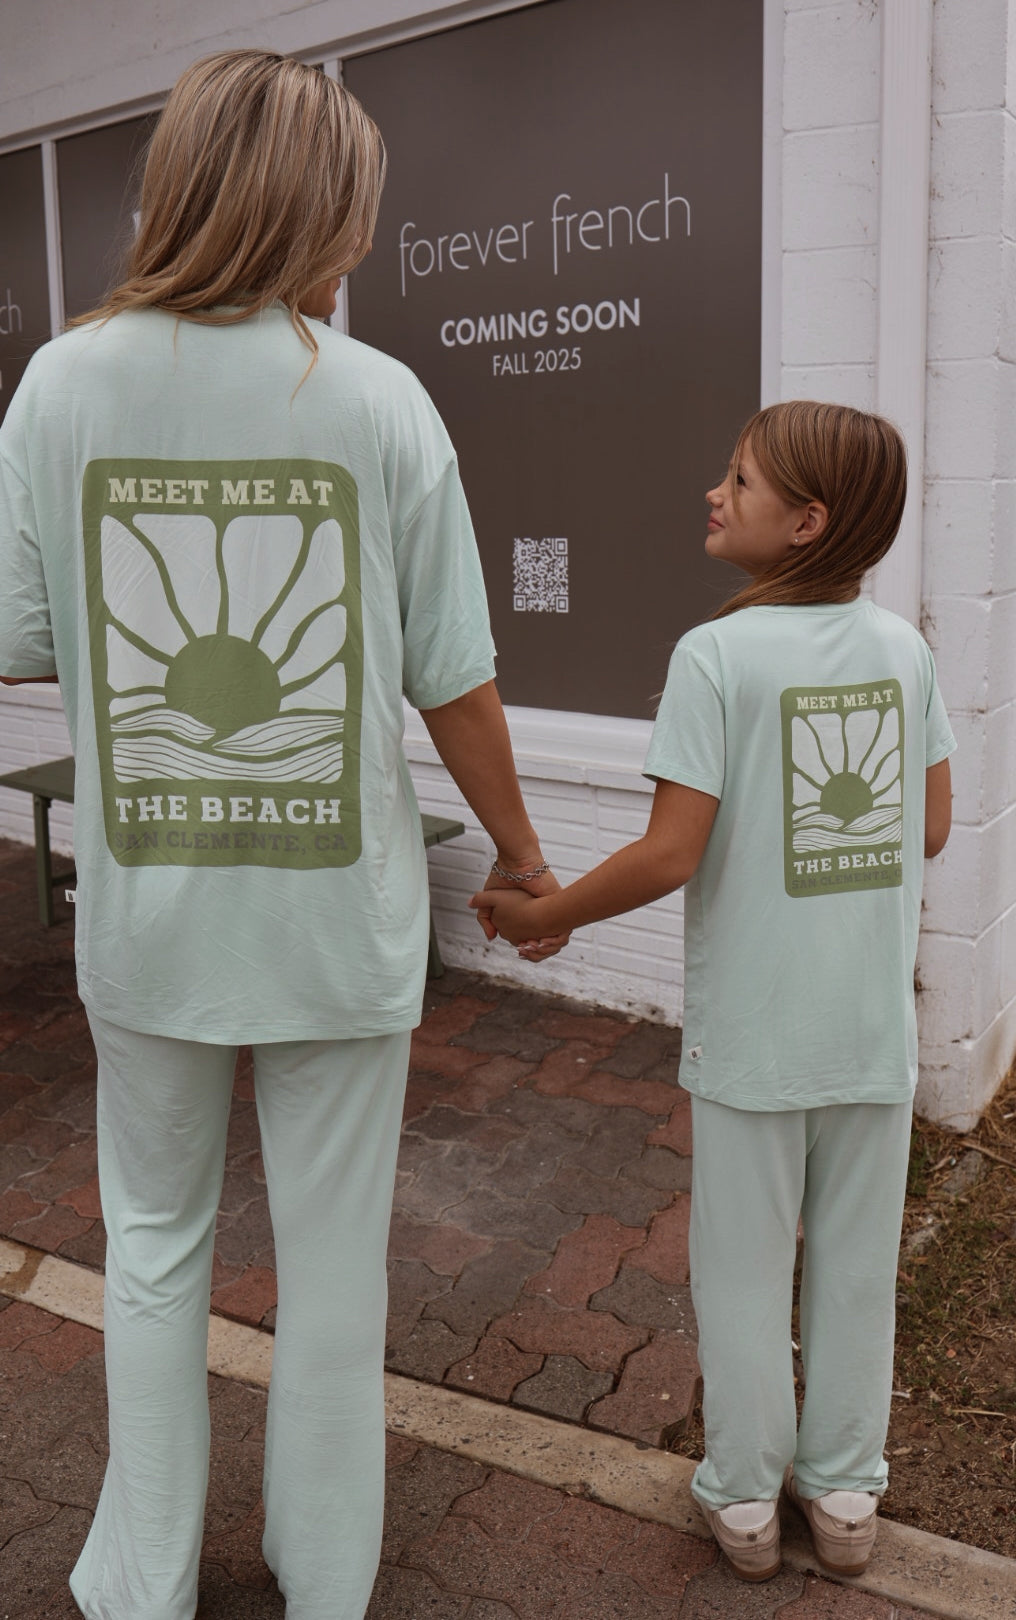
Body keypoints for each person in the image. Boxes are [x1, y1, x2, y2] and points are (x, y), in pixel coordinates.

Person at [0, 49, 564, 1620]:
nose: (364, 240)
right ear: (318, 209)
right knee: (333, 1271)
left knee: (151, 1248)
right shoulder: (379, 400)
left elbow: (22, 640)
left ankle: (143, 1582)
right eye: (359, 209)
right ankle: (325, 1582)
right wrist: (524, 861)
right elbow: (455, 678)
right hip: (336, 923)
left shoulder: (60, 384)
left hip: (151, 918)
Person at [473, 400, 955, 1582]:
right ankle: (845, 1495)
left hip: (754, 1038)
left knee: (743, 1271)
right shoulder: (904, 651)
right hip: (868, 1030)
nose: (714, 492)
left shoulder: (716, 657)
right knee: (855, 1269)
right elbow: (932, 826)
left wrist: (545, 912)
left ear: (806, 521)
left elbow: (671, 852)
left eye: (739, 480)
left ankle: (743, 1501)